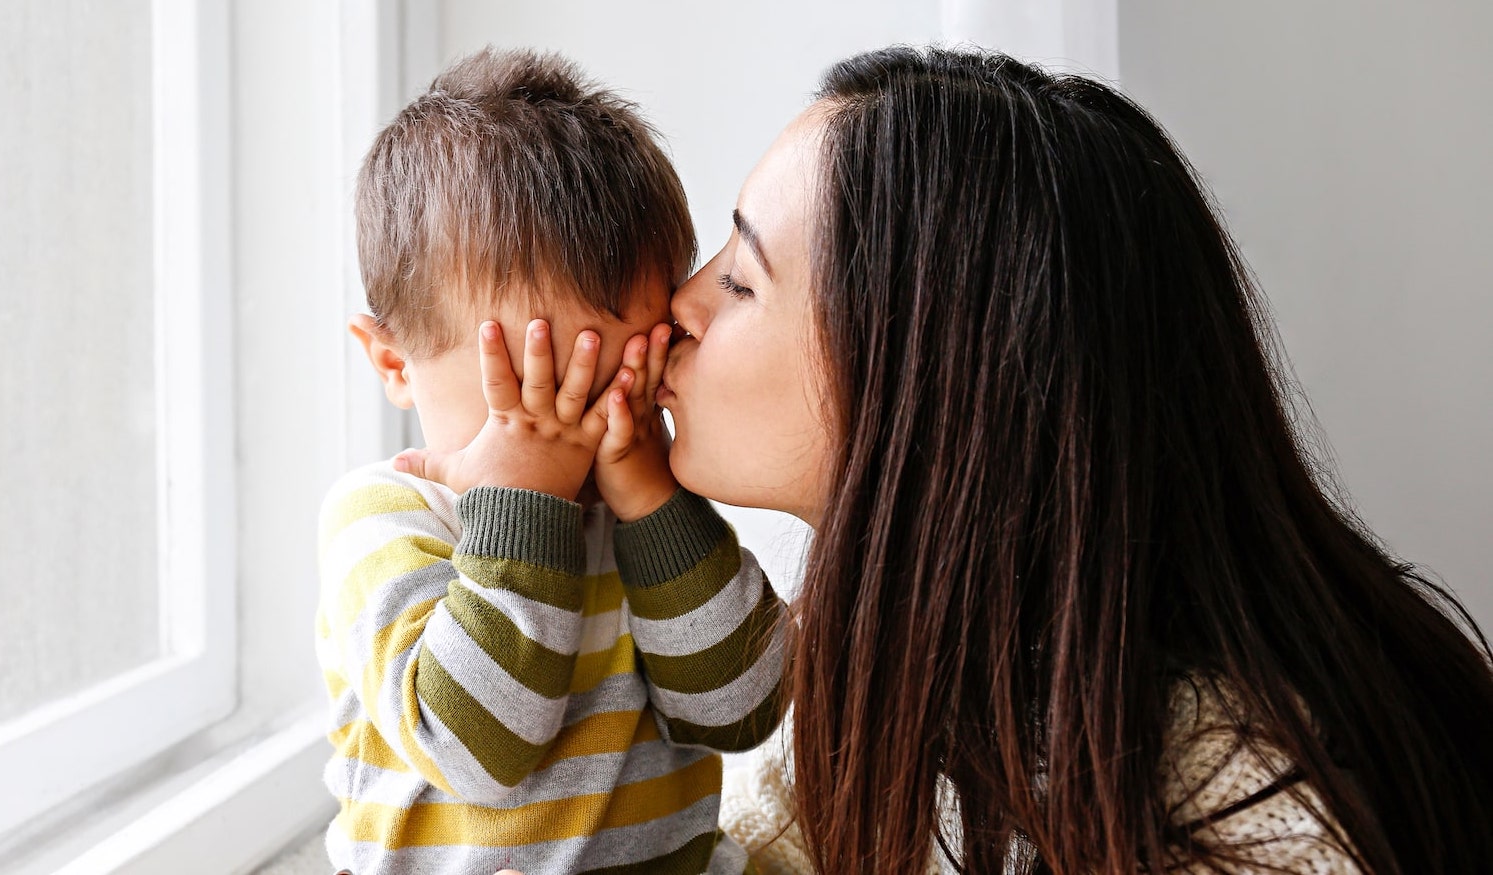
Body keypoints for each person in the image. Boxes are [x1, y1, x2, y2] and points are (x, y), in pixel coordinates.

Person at [654, 47, 1491, 874]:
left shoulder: (1260, 814)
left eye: (739, 280)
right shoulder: (908, 679)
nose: (678, 306)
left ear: (937, 369)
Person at [317, 47, 786, 874]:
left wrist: (649, 496)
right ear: (393, 363)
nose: (576, 434)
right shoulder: (380, 518)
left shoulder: (642, 508)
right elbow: (475, 749)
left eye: (615, 382)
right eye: (535, 396)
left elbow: (737, 711)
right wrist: (522, 503)